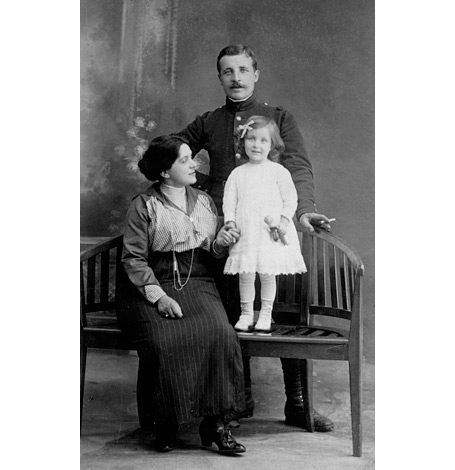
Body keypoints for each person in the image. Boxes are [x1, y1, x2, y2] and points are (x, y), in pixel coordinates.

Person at [177, 44, 334, 432]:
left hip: (272, 231)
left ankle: (296, 404)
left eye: (243, 70)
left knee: (283, 309)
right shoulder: (209, 121)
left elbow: (297, 167)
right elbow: (173, 157)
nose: (236, 78)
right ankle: (238, 401)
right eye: (227, 71)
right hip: (226, 232)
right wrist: (205, 203)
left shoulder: (278, 118)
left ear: (256, 74)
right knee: (235, 314)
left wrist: (303, 212)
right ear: (220, 78)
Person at [116, 134, 247, 454]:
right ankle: (167, 423)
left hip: (197, 281)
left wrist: (222, 241)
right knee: (165, 340)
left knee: (220, 333)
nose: (195, 164)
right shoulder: (143, 205)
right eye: (185, 160)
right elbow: (133, 259)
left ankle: (215, 424)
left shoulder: (204, 201)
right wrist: (158, 297)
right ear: (164, 171)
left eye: (193, 157)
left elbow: (211, 250)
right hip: (148, 285)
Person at [223, 116, 307, 333]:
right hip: (246, 233)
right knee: (246, 274)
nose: (256, 145)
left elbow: (291, 200)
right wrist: (230, 223)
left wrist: (283, 221)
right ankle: (247, 313)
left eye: (263, 140)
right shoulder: (237, 174)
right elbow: (229, 203)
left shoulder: (279, 172)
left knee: (268, 274)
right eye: (251, 139)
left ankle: (266, 314)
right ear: (243, 142)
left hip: (269, 234)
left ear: (272, 145)